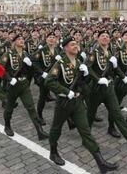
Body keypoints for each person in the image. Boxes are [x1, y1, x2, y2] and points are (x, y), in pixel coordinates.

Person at [45, 36, 118, 173]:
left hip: (77, 102)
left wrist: (85, 76)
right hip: (64, 103)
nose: (76, 46)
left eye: (76, 44)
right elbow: (49, 82)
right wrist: (66, 91)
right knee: (56, 128)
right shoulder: (60, 63)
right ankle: (53, 152)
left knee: (85, 131)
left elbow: (82, 84)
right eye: (72, 44)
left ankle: (100, 162)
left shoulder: (79, 63)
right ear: (65, 48)